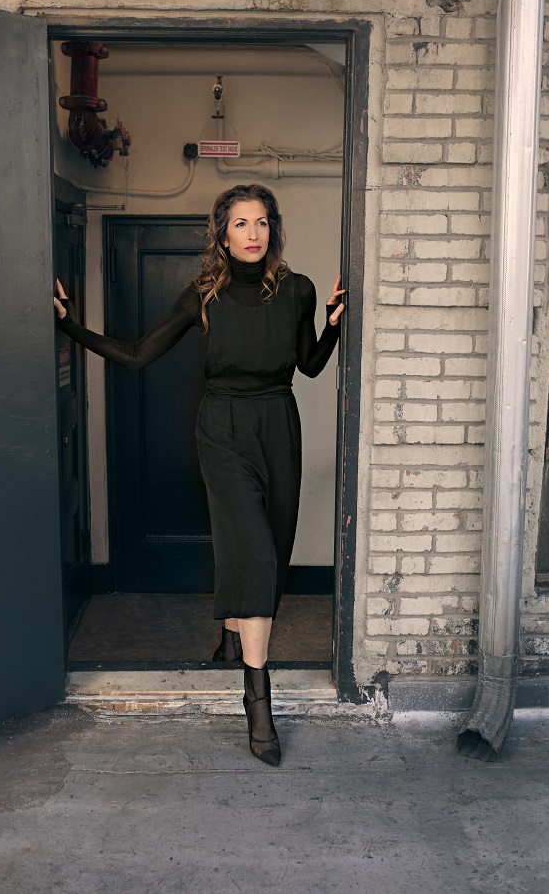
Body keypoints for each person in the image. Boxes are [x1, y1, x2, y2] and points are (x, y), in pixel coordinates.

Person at [54, 184, 345, 767]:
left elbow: (309, 365)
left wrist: (336, 322)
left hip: (278, 424)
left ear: (273, 229)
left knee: (270, 548)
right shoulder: (201, 296)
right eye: (240, 223)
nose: (253, 233)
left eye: (261, 222)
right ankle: (257, 701)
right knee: (255, 551)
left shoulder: (298, 290)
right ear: (222, 233)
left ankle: (234, 631)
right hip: (222, 429)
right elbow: (138, 354)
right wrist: (70, 328)